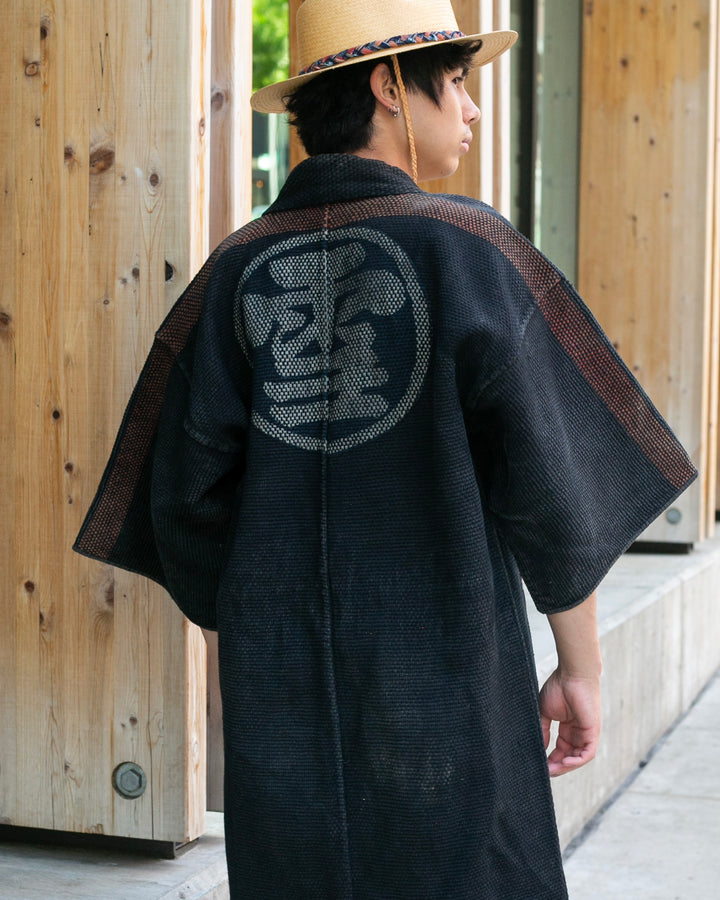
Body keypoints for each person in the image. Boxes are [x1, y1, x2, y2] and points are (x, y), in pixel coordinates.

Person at [74, 0, 697, 897]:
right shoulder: (471, 250)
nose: (473, 109)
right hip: (453, 682)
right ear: (390, 87)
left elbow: (180, 501)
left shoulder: (233, 272)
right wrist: (581, 669)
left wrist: (261, 620)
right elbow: (554, 486)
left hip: (283, 695)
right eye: (459, 84)